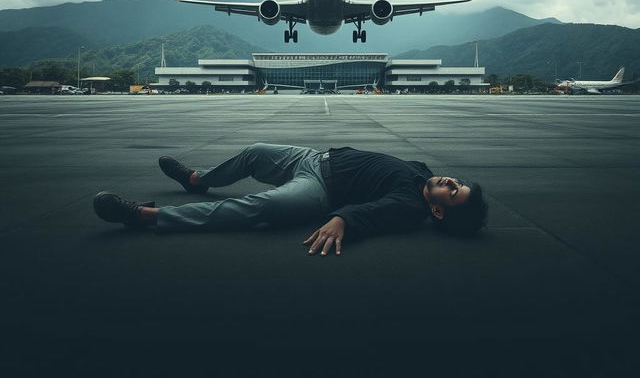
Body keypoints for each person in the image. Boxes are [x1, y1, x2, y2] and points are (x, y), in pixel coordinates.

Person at [93, 143, 488, 255]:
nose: (451, 181)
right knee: (254, 152)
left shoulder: (410, 205)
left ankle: (147, 216)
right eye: (457, 182)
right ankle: (198, 179)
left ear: (437, 210)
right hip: (312, 157)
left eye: (453, 192)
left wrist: (342, 221)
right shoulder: (421, 172)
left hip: (320, 189)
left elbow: (373, 213)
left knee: (263, 207)